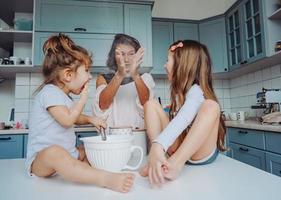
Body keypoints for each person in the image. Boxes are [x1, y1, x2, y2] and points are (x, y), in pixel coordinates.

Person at [25, 34, 135, 193]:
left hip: (68, 155)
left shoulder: (64, 96)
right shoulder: (49, 93)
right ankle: (105, 179)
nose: (90, 76)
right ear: (68, 75)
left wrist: (91, 119)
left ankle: (101, 171)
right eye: (87, 71)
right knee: (55, 152)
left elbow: (74, 117)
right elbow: (67, 120)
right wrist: (83, 99)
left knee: (87, 151)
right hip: (42, 161)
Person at [139, 40, 226, 186]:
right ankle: (160, 159)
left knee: (211, 106)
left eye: (167, 60)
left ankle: (173, 163)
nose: (164, 65)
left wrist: (158, 144)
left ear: (182, 64)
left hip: (200, 154)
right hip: (182, 148)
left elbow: (185, 117)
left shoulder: (196, 91)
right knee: (150, 104)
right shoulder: (180, 94)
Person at [92, 34, 155, 130]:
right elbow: (103, 105)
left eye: (131, 54)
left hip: (138, 135)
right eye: (122, 54)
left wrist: (134, 73)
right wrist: (120, 74)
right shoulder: (103, 78)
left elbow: (146, 105)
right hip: (112, 136)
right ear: (114, 56)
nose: (126, 59)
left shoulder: (146, 78)